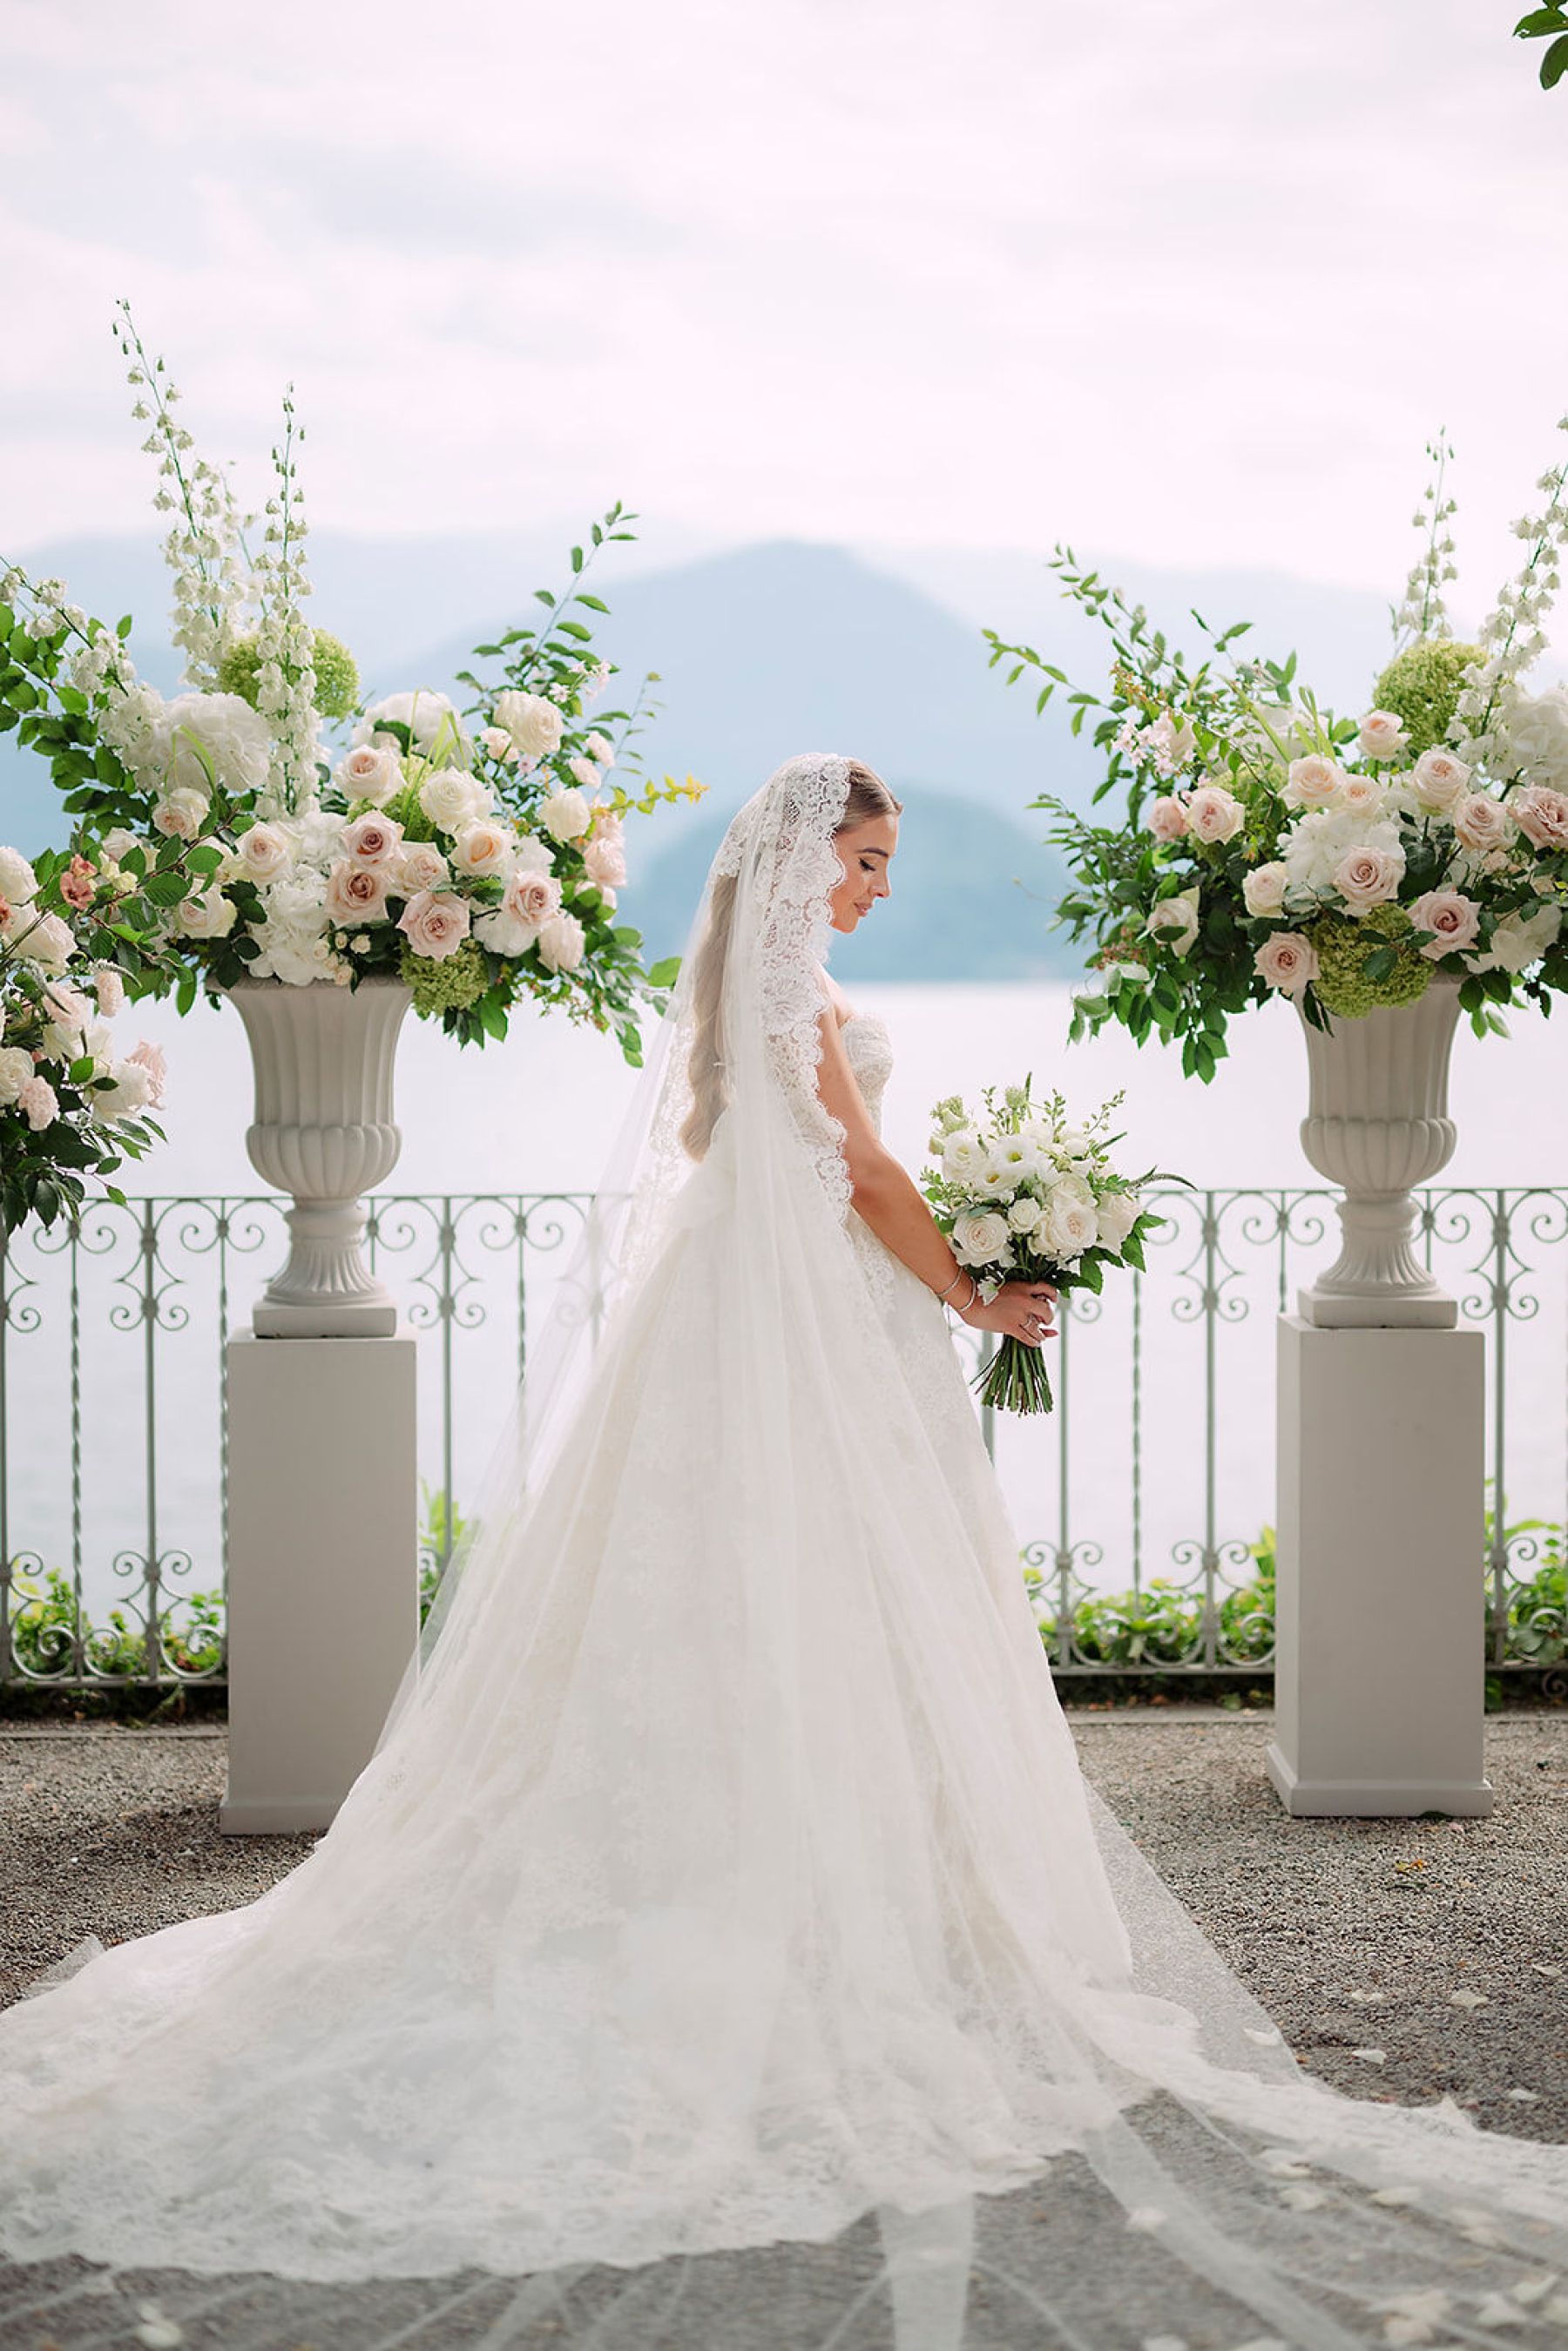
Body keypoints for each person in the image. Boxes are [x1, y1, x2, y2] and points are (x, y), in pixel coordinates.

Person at [1, 752, 1566, 2351]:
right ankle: (818, 1894)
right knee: (814, 1586)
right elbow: (870, 1173)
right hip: (811, 1325)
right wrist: (976, 1290)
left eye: (887, 867)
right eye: (868, 860)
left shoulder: (760, 996)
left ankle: (811, 1863)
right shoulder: (797, 1002)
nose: (879, 889)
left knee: (755, 1595)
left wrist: (947, 1262)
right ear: (810, 856)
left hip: (766, 1307)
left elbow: (808, 1169)